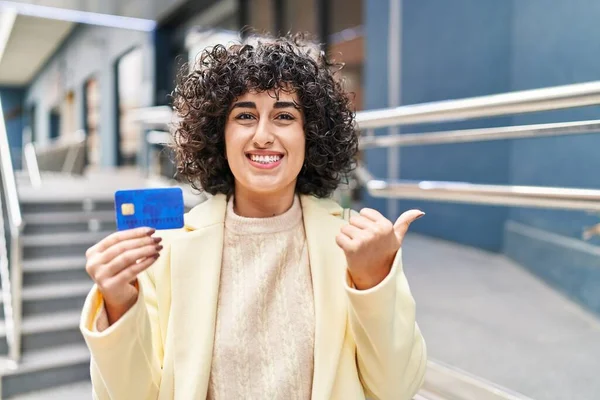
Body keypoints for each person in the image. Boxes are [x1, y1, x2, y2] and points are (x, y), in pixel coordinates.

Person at [80, 33, 427, 400]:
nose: (263, 135)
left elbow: (395, 389)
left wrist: (373, 279)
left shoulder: (355, 244)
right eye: (245, 115)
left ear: (310, 134)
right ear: (219, 134)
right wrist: (117, 306)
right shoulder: (166, 249)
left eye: (284, 116)